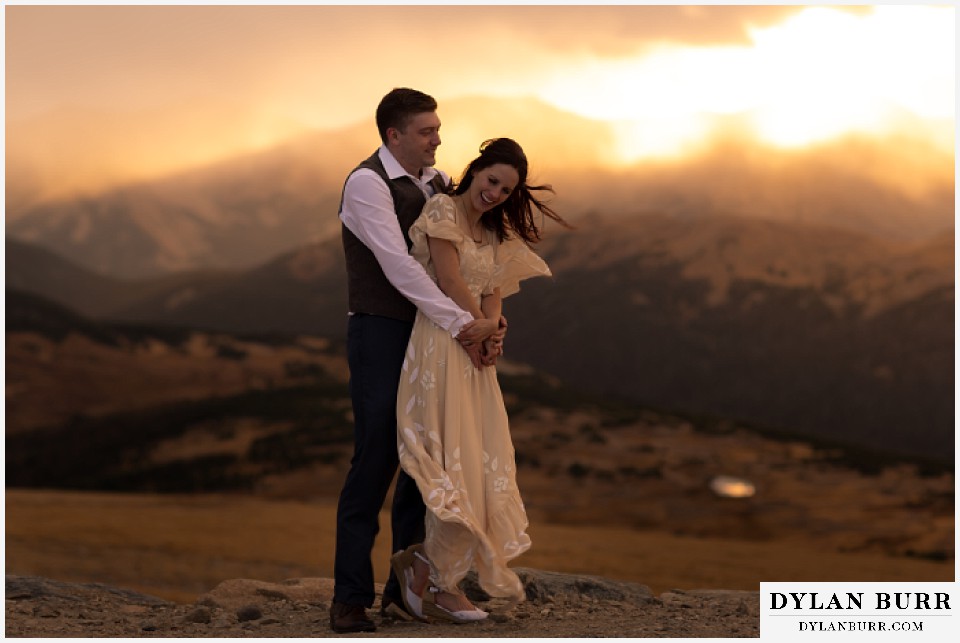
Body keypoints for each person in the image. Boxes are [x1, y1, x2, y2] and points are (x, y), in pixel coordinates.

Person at [330, 88, 505, 633]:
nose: (437, 138)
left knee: (425, 459)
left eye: (437, 129)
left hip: (429, 335)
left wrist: (489, 321)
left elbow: (466, 257)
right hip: (381, 331)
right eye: (427, 131)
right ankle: (349, 598)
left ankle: (408, 591)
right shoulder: (366, 184)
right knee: (377, 455)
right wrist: (463, 323)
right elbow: (399, 268)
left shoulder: (438, 182)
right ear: (394, 135)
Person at [390, 138, 569, 623]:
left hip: (474, 357)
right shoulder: (443, 210)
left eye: (507, 189)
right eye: (492, 181)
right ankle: (436, 581)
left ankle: (432, 571)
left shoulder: (492, 232)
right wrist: (481, 329)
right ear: (476, 171)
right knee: (453, 462)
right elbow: (449, 280)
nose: (496, 194)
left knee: (479, 463)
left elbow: (492, 292)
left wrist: (494, 331)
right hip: (440, 344)